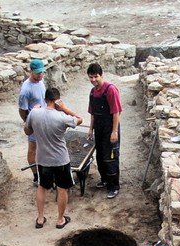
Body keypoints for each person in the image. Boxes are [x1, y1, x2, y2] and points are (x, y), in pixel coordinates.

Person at [24, 87, 83, 229]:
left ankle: (40, 218)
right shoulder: (61, 117)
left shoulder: (34, 113)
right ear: (57, 100)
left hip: (43, 159)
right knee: (62, 188)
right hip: (60, 159)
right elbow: (79, 119)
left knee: (42, 187)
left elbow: (27, 131)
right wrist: (65, 108)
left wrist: (34, 111)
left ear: (45, 99)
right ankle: (60, 219)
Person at [86, 62, 122, 199]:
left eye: (96, 77)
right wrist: (91, 129)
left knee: (110, 157)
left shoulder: (111, 90)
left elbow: (116, 112)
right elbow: (93, 113)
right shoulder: (92, 92)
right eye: (91, 77)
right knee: (100, 156)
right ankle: (105, 180)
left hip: (110, 128)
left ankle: (114, 186)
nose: (93, 80)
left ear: (101, 75)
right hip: (99, 129)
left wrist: (114, 132)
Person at [18, 59, 47, 185]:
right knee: (33, 148)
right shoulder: (25, 90)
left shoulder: (41, 81)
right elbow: (22, 109)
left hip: (45, 119)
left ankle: (45, 171)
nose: (40, 75)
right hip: (34, 122)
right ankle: (36, 175)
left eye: (42, 72)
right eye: (37, 73)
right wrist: (28, 122)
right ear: (31, 72)